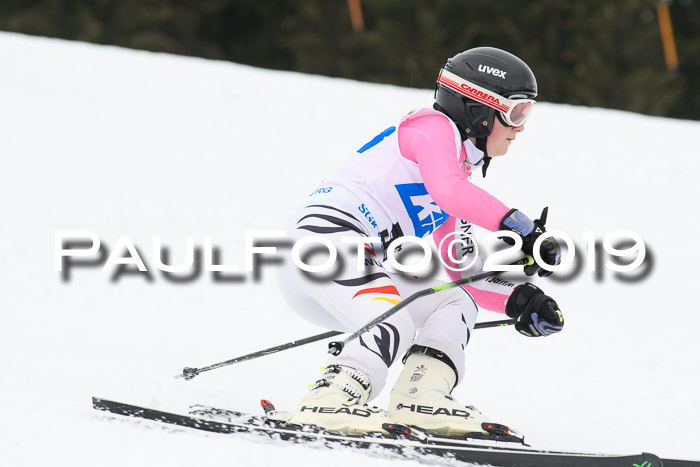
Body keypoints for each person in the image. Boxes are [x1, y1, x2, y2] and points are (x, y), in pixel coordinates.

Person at [276, 47, 564, 437]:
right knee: (392, 318)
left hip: (356, 269)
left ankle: (420, 397)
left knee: (453, 298)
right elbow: (449, 192)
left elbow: (462, 271)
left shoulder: (454, 174)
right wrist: (520, 227)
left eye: (527, 113)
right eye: (516, 113)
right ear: (480, 111)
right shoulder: (431, 128)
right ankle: (329, 401)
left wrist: (520, 299)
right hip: (323, 243)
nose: (521, 127)